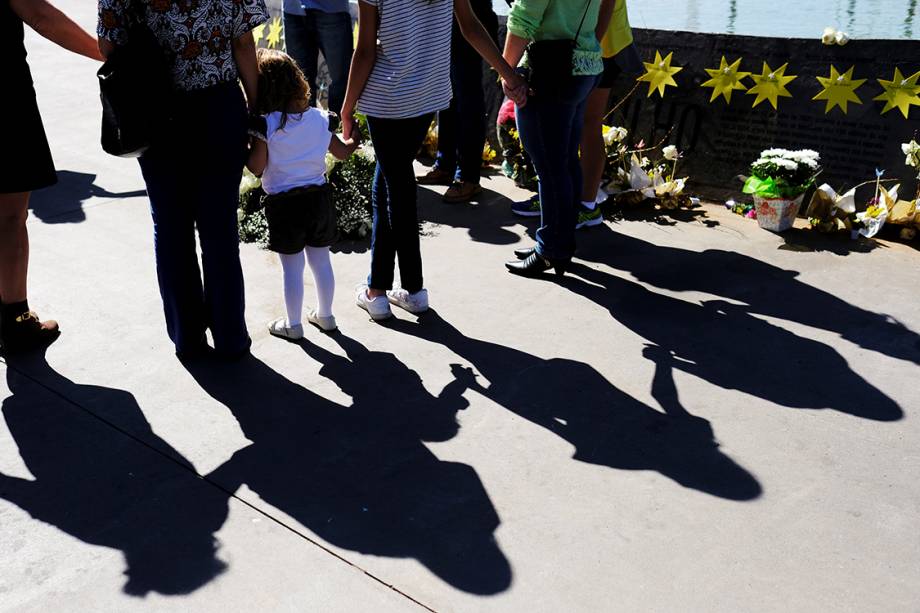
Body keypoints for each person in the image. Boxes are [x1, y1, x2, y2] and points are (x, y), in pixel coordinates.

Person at [97, 0, 269, 358]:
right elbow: (242, 43)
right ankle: (231, 338)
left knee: (171, 227)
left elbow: (109, 44)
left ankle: (187, 338)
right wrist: (258, 120)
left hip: (153, 109)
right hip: (218, 108)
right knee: (219, 228)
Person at [341, 0, 526, 321]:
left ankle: (413, 290)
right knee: (386, 183)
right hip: (428, 95)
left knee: (396, 190)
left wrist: (346, 108)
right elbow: (470, 27)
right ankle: (377, 290)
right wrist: (508, 74)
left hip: (387, 98)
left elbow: (366, 51)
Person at [1, 0, 102, 354]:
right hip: (4, 97)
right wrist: (105, 52)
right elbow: (41, 16)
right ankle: (15, 320)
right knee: (10, 216)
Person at [246, 48, 358, 340]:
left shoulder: (266, 125)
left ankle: (293, 324)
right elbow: (342, 152)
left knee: (292, 268)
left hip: (284, 206)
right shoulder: (320, 119)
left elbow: (257, 168)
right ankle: (326, 315)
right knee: (321, 261)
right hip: (319, 199)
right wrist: (354, 138)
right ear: (297, 80)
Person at [503, 0, 606, 277]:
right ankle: (560, 244)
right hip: (584, 65)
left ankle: (550, 251)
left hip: (552, 70)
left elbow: (523, 19)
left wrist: (506, 71)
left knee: (550, 169)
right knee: (566, 163)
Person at [416, 0, 499, 204]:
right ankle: (445, 164)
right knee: (448, 97)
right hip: (446, 24)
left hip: (471, 24)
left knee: (469, 101)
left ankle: (468, 177)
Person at [577, 0, 642, 226]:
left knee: (588, 123)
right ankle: (556, 199)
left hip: (599, 44)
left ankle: (586, 206)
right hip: (578, 40)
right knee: (570, 123)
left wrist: (591, 45)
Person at [281, 0, 353, 114]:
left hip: (332, 9)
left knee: (341, 82)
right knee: (297, 83)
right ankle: (304, 129)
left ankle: (341, 127)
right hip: (292, 8)